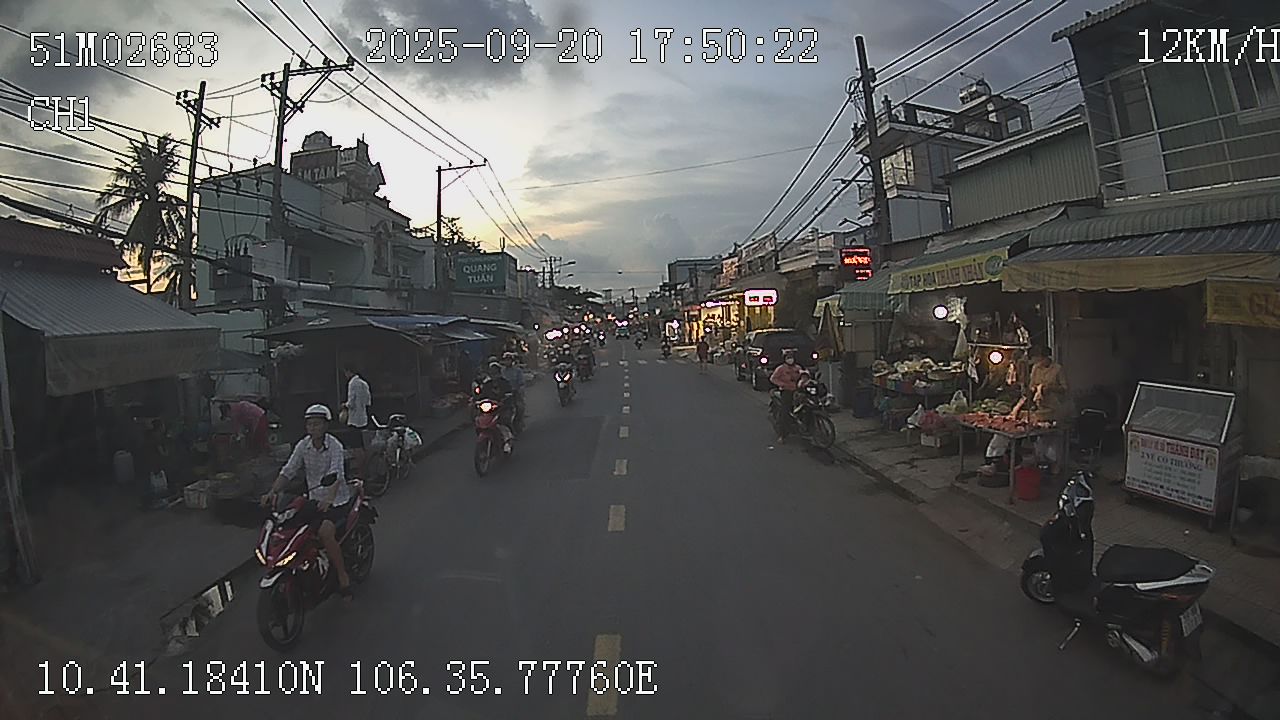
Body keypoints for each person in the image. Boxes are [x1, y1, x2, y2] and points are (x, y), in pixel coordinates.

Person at [261, 404, 354, 600]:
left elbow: (337, 474)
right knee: (292, 528)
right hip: (313, 500)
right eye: (310, 424)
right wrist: (272, 491)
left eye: (317, 424)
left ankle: (342, 576)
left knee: (325, 533)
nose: (313, 428)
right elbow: (289, 470)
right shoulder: (303, 446)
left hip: (336, 501)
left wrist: (329, 499)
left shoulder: (335, 446)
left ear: (325, 426)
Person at [981, 346, 1070, 476]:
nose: (1039, 362)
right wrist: (1032, 393)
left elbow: (1064, 389)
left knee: (1053, 440)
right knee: (1040, 440)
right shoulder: (1036, 368)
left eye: (1040, 359)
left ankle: (1055, 466)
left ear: (1046, 357)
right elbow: (1031, 387)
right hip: (1040, 408)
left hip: (1055, 409)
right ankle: (1041, 464)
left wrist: (1048, 388)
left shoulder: (1057, 369)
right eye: (1037, 360)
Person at [477, 360, 516, 452]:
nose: (494, 375)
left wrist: (506, 399)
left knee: (504, 421)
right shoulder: (487, 384)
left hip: (503, 408)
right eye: (492, 373)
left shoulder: (504, 383)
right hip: (490, 409)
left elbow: (509, 393)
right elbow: (481, 395)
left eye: (495, 372)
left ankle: (507, 441)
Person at [341, 364, 372, 479]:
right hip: (363, 418)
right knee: (363, 447)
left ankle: (360, 472)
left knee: (356, 447)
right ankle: (365, 470)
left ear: (349, 371)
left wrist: (344, 405)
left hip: (354, 419)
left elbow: (351, 403)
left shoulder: (352, 383)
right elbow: (368, 401)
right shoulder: (364, 383)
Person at [769, 350, 804, 442]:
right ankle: (782, 435)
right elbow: (773, 378)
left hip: (797, 391)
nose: (790, 360)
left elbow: (803, 376)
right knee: (785, 412)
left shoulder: (798, 368)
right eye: (788, 358)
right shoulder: (781, 369)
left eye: (791, 358)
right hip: (786, 391)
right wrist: (782, 384)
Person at [501, 352, 526, 428]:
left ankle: (519, 421)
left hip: (515, 393)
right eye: (505, 360)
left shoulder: (517, 371)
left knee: (519, 407)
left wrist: (519, 390)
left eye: (508, 360)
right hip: (503, 394)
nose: (507, 362)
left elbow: (521, 383)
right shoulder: (502, 371)